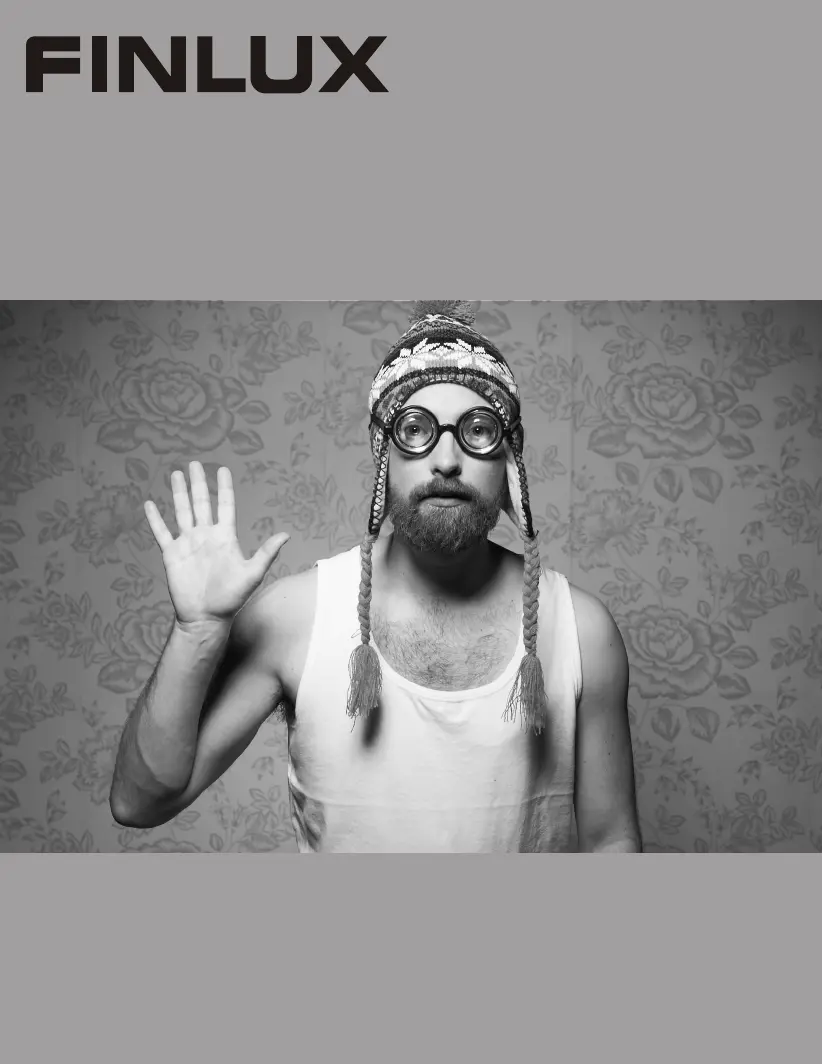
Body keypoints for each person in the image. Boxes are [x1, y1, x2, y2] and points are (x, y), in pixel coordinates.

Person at [110, 301, 641, 852]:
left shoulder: (582, 630)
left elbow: (611, 841)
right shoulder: (294, 619)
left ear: (510, 458)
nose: (446, 460)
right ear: (383, 452)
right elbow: (138, 802)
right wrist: (197, 631)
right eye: (416, 429)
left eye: (478, 430)